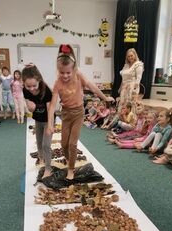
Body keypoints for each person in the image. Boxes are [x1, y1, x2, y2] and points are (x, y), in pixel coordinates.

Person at [46, 44, 114, 180]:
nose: (65, 75)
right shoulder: (57, 83)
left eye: (68, 72)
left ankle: (71, 169)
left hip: (78, 113)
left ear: (74, 69)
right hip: (65, 114)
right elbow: (53, 105)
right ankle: (69, 158)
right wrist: (50, 124)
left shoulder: (78, 75)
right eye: (62, 72)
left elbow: (92, 87)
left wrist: (105, 97)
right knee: (63, 144)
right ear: (58, 70)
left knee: (72, 143)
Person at [22, 64, 53, 178]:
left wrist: (50, 125)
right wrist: (27, 103)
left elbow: (50, 110)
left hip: (48, 119)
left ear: (39, 80)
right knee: (39, 143)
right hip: (38, 119)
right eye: (28, 86)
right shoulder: (25, 89)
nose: (31, 89)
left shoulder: (46, 91)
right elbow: (27, 99)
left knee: (46, 145)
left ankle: (48, 168)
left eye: (34, 85)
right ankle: (41, 158)